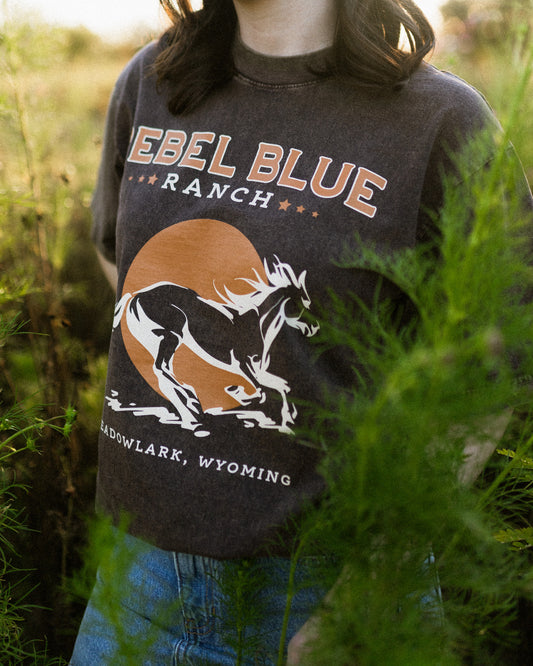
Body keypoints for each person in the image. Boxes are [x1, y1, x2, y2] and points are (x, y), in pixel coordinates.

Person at [71, 0, 533, 664]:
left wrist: (369, 588)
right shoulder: (153, 79)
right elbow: (122, 259)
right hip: (135, 594)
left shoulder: (440, 121)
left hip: (330, 599)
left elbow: (493, 371)